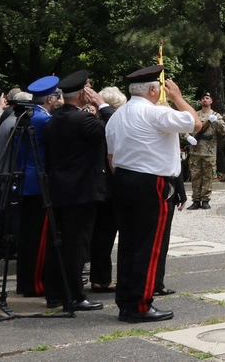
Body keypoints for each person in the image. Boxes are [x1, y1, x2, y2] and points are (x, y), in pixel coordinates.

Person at [105, 66, 199, 323]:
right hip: (151, 182)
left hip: (123, 180)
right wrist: (178, 97)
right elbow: (196, 123)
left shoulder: (117, 115)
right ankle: (141, 304)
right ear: (153, 90)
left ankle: (126, 301)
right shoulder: (156, 112)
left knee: (128, 244)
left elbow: (111, 157)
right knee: (150, 246)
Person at [41, 70, 107, 312]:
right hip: (81, 191)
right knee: (77, 245)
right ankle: (75, 295)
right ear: (83, 94)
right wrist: (102, 104)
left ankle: (55, 293)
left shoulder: (54, 118)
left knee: (57, 242)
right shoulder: (85, 120)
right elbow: (113, 127)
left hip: (59, 188)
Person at [15, 77, 61, 298]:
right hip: (39, 182)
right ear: (50, 98)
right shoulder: (44, 119)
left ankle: (25, 281)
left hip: (26, 179)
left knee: (28, 237)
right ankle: (36, 283)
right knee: (40, 239)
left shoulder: (28, 116)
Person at [89, 84, 126, 294]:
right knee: (105, 235)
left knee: (99, 236)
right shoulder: (109, 125)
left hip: (96, 186)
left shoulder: (93, 124)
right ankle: (102, 279)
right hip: (109, 187)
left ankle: (99, 277)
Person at [189, 92, 225, 209]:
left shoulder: (216, 115)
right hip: (195, 151)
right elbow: (185, 128)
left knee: (208, 177)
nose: (205, 100)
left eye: (207, 98)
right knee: (195, 176)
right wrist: (188, 137)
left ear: (211, 101)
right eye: (203, 98)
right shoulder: (195, 114)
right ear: (200, 102)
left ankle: (205, 200)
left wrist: (215, 121)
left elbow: (224, 130)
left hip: (209, 152)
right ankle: (195, 200)